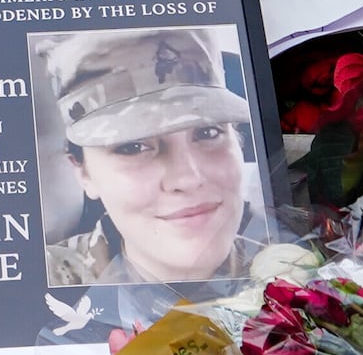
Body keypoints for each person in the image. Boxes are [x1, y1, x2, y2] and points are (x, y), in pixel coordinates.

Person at [42, 29, 268, 285]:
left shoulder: (301, 259)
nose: (188, 178)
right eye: (133, 147)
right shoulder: (38, 281)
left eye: (208, 132)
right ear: (83, 173)